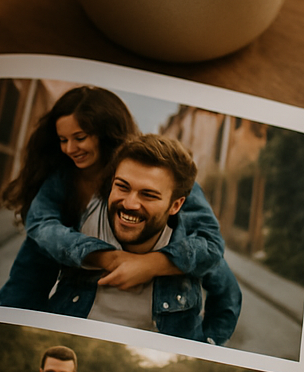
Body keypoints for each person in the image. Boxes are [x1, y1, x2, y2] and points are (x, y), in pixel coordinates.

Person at [0, 86, 225, 311]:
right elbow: (41, 227)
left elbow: (212, 245)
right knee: (35, 251)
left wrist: (149, 264)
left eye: (80, 137)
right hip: (77, 294)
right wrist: (106, 257)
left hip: (148, 304)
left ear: (106, 133)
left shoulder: (161, 174)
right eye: (63, 140)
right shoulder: (62, 177)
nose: (70, 148)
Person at [46, 135, 242, 344]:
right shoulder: (82, 225)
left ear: (175, 205)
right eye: (122, 186)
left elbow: (228, 296)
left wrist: (208, 345)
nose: (130, 204)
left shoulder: (194, 251)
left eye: (148, 195)